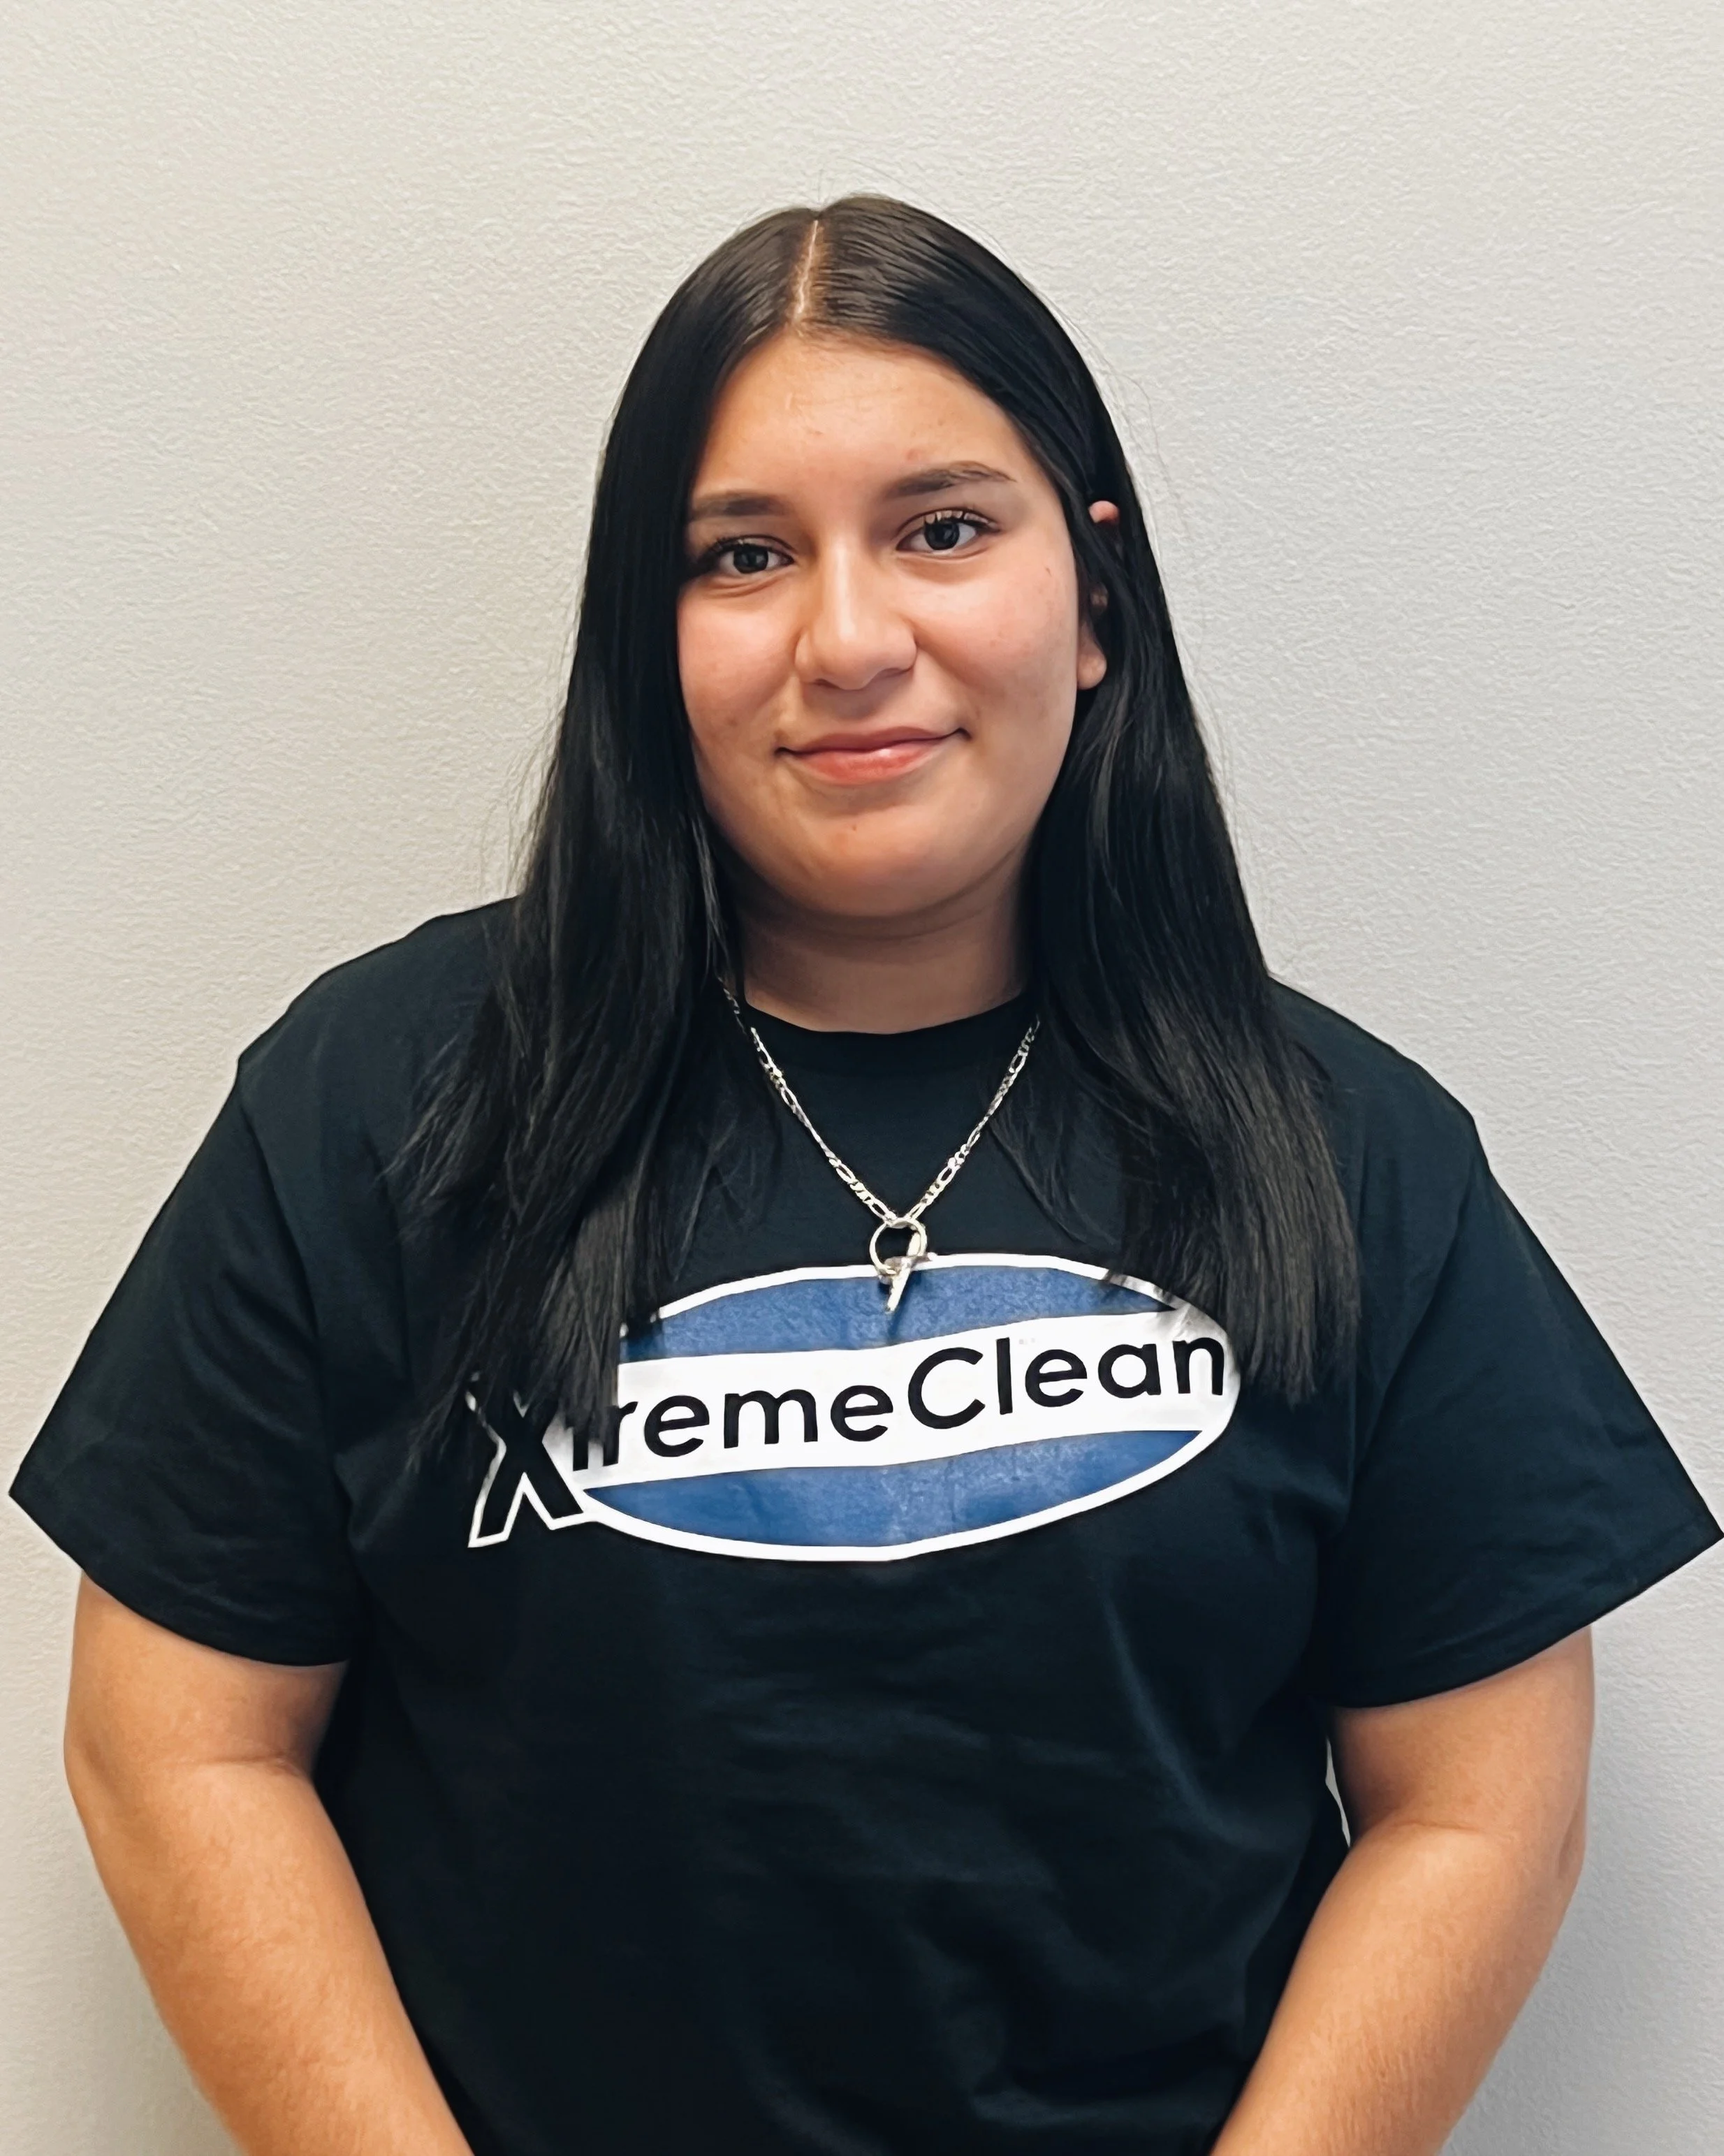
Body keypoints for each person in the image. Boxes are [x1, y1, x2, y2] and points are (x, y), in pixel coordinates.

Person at [12, 194, 1718, 2156]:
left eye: (940, 528)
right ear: (649, 643)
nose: (846, 637)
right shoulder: (380, 1099)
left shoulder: (1342, 1149)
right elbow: (179, 1746)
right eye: (741, 555)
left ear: (1092, 600)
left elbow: (1478, 1799)